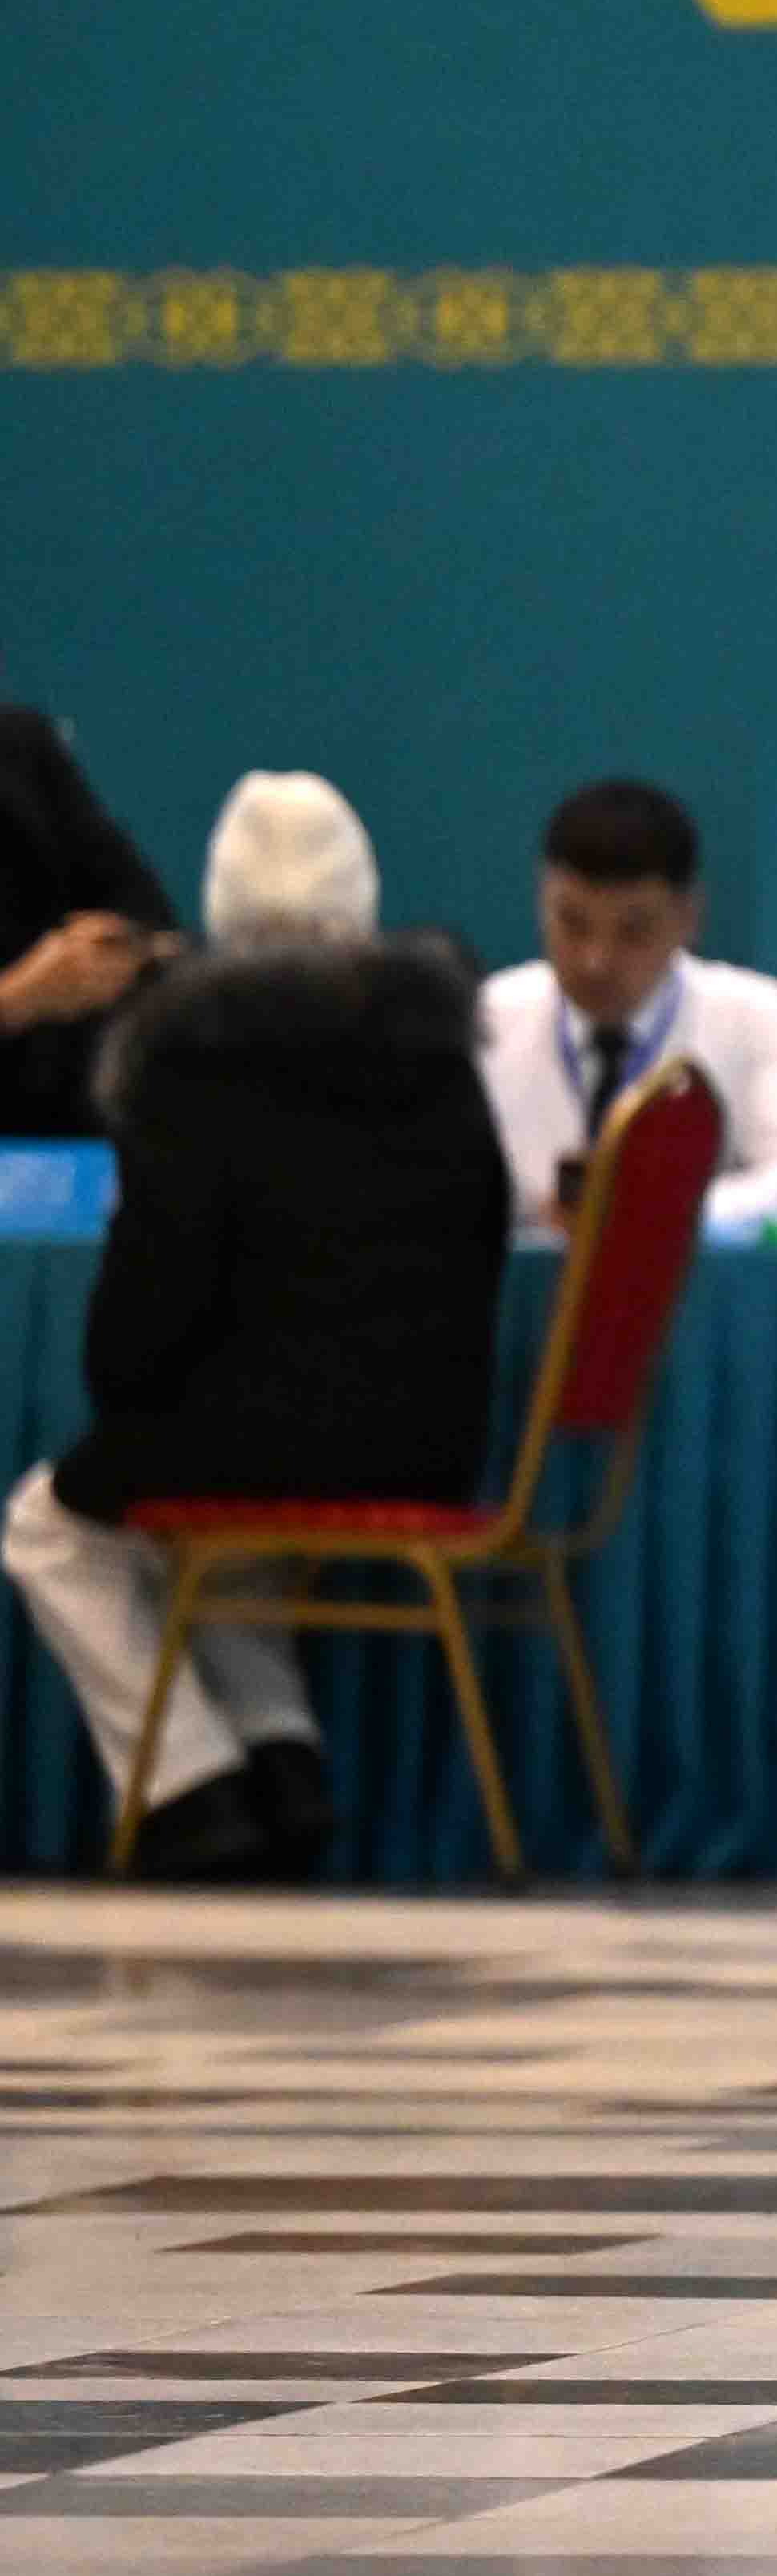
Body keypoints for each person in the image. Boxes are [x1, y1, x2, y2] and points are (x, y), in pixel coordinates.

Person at [2, 775, 511, 1883]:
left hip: (246, 1439)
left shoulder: (185, 1062)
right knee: (226, 1530)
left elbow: (144, 1315)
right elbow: (485, 1242)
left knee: (50, 1528)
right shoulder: (444, 1055)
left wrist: (127, 1398)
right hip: (433, 1443)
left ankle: (189, 1785)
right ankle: (285, 1761)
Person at [472, 778, 777, 1241]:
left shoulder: (757, 1016)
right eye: (572, 923)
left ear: (688, 917)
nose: (596, 961)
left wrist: (647, 1212)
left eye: (632, 932)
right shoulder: (486, 1020)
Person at [0, 701, 174, 1141]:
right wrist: (18, 998)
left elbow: (140, 903)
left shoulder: (21, 743)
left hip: (75, 1101)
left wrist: (103, 950)